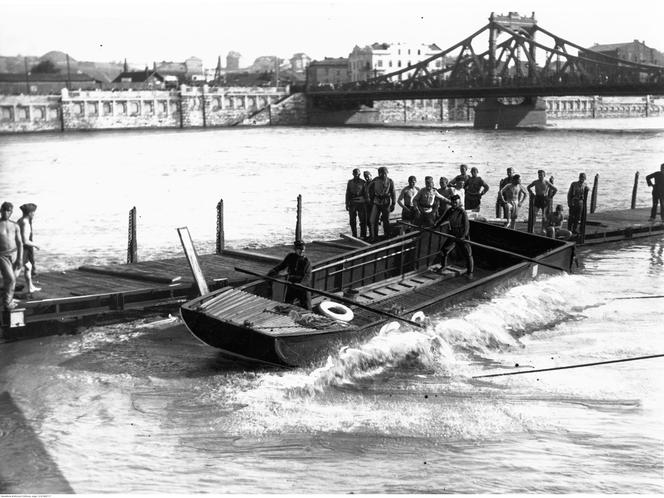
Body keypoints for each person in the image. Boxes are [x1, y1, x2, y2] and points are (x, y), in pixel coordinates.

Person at [434, 194, 474, 276]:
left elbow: (467, 226)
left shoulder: (462, 212)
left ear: (459, 203)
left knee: (468, 254)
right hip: (453, 233)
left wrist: (463, 236)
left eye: (456, 203)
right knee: (444, 250)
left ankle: (470, 272)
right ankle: (443, 266)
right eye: (453, 202)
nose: (454, 204)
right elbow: (443, 219)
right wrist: (435, 225)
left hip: (462, 234)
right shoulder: (450, 210)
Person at [267, 240, 311, 310]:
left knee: (307, 307)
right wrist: (273, 271)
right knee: (287, 305)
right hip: (292, 284)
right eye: (300, 249)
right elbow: (282, 266)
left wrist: (301, 284)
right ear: (295, 249)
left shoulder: (306, 262)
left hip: (303, 288)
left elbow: (307, 277)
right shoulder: (290, 256)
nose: (301, 251)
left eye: (303, 250)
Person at [0, 202, 23, 310]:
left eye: (8, 210)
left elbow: (20, 243)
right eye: (3, 210)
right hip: (2, 256)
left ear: (11, 212)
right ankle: (7, 304)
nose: (5, 212)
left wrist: (20, 258)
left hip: (14, 254)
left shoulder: (15, 225)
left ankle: (9, 299)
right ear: (0, 210)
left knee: (11, 280)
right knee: (10, 279)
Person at [17, 203, 41, 293]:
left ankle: (30, 287)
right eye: (34, 212)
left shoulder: (20, 220)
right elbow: (25, 241)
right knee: (16, 270)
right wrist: (36, 245)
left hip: (21, 248)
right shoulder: (25, 223)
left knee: (28, 266)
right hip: (21, 249)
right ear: (30, 213)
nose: (34, 214)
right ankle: (8, 287)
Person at [368, 166, 396, 241]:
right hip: (376, 202)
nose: (383, 175)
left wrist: (393, 203)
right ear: (379, 173)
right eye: (381, 173)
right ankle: (375, 236)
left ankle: (387, 235)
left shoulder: (390, 181)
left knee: (386, 220)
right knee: (374, 220)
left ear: (387, 173)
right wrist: (371, 198)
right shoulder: (375, 180)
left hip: (386, 202)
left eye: (385, 173)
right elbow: (369, 189)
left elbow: (393, 192)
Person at [345, 169, 368, 239]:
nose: (356, 175)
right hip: (352, 202)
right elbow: (347, 193)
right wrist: (346, 203)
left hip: (361, 203)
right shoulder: (350, 182)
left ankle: (363, 235)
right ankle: (354, 235)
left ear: (359, 174)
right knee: (352, 220)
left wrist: (366, 201)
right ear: (353, 174)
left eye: (358, 174)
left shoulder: (363, 182)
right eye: (355, 174)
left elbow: (366, 193)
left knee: (362, 220)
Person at [363, 170, 375, 240]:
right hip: (367, 203)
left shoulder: (373, 183)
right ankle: (371, 235)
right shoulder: (365, 184)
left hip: (373, 204)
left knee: (372, 220)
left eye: (367, 177)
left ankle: (373, 236)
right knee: (368, 221)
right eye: (365, 177)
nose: (366, 178)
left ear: (371, 175)